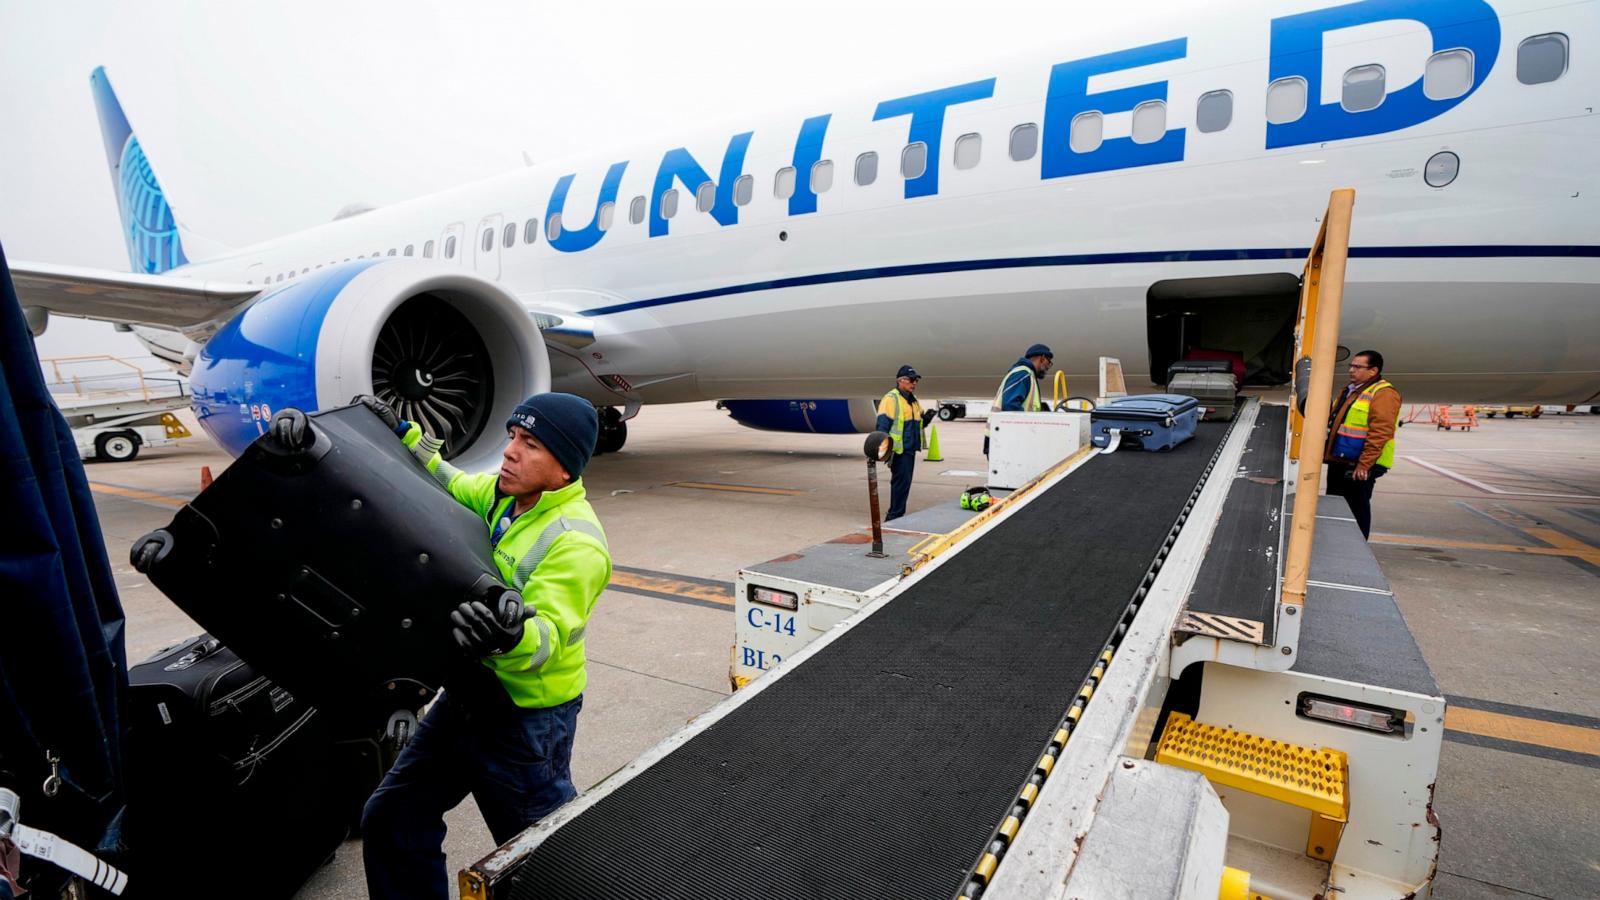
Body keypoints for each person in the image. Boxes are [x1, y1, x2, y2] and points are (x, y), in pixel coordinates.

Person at [356, 392, 611, 900]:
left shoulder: (577, 543)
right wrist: (405, 436)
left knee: (539, 861)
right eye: (513, 436)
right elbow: (449, 480)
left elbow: (549, 636)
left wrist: (508, 635)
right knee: (392, 816)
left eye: (531, 444)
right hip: (468, 696)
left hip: (526, 722)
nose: (511, 451)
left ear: (565, 468)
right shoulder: (502, 496)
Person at [1325, 350, 1401, 539]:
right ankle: (1336, 543)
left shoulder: (1383, 393)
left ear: (1373, 371)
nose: (1351, 370)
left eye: (1358, 367)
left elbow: (1381, 431)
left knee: (1355, 509)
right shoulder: (1350, 390)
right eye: (1351, 366)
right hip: (1341, 460)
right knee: (1335, 506)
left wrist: (1365, 464)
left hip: (1361, 464)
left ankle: (1356, 547)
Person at [876, 365, 936, 521]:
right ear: (900, 381)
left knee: (904, 484)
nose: (914, 383)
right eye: (911, 380)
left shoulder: (913, 401)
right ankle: (894, 516)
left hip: (909, 450)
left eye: (916, 380)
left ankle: (897, 514)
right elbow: (882, 427)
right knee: (900, 484)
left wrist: (927, 418)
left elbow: (917, 425)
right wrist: (884, 451)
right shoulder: (891, 399)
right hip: (898, 451)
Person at [995, 343, 1054, 412]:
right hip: (1012, 422)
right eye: (1049, 362)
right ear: (1042, 358)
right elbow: (1010, 406)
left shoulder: (1027, 374)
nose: (1048, 366)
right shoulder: (1023, 374)